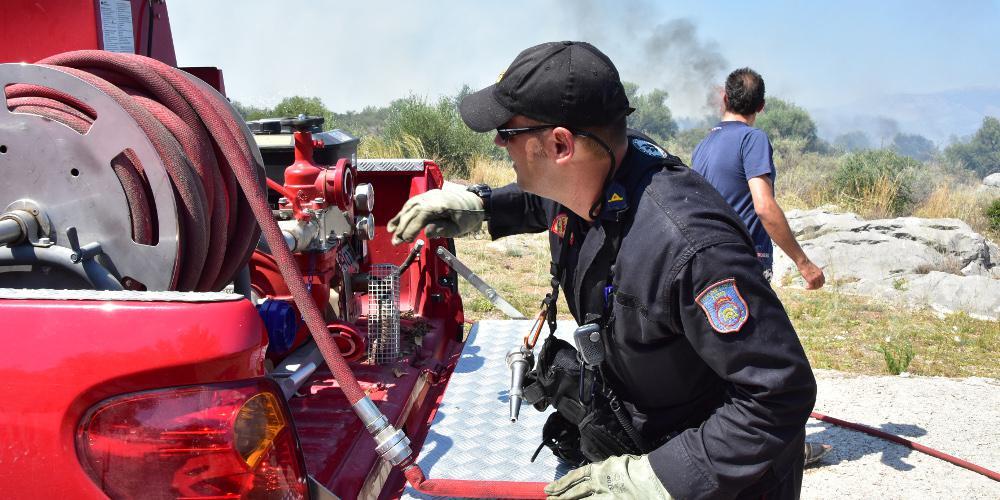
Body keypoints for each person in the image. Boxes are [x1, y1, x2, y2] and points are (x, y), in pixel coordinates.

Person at [388, 41, 816, 499]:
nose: (497, 142)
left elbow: (778, 395)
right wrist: (484, 206)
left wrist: (660, 478)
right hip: (641, 430)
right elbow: (545, 199)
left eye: (507, 132)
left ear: (559, 144)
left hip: (717, 480)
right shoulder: (599, 174)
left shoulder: (689, 248)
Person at [691, 68, 830, 467]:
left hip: (708, 263)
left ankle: (717, 441)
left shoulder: (705, 144)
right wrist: (803, 263)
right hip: (745, 263)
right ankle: (784, 452)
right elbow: (764, 206)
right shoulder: (753, 139)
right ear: (762, 107)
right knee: (769, 363)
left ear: (725, 101)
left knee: (721, 357)